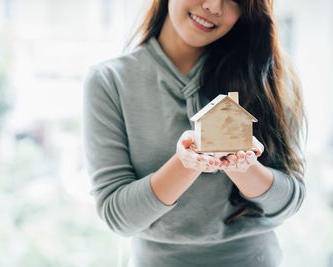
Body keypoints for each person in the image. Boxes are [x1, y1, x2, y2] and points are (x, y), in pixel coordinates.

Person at [83, 0, 306, 266]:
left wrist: (241, 166)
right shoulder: (109, 81)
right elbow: (118, 217)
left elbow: (290, 202)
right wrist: (188, 162)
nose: (213, 6)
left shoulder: (268, 78)